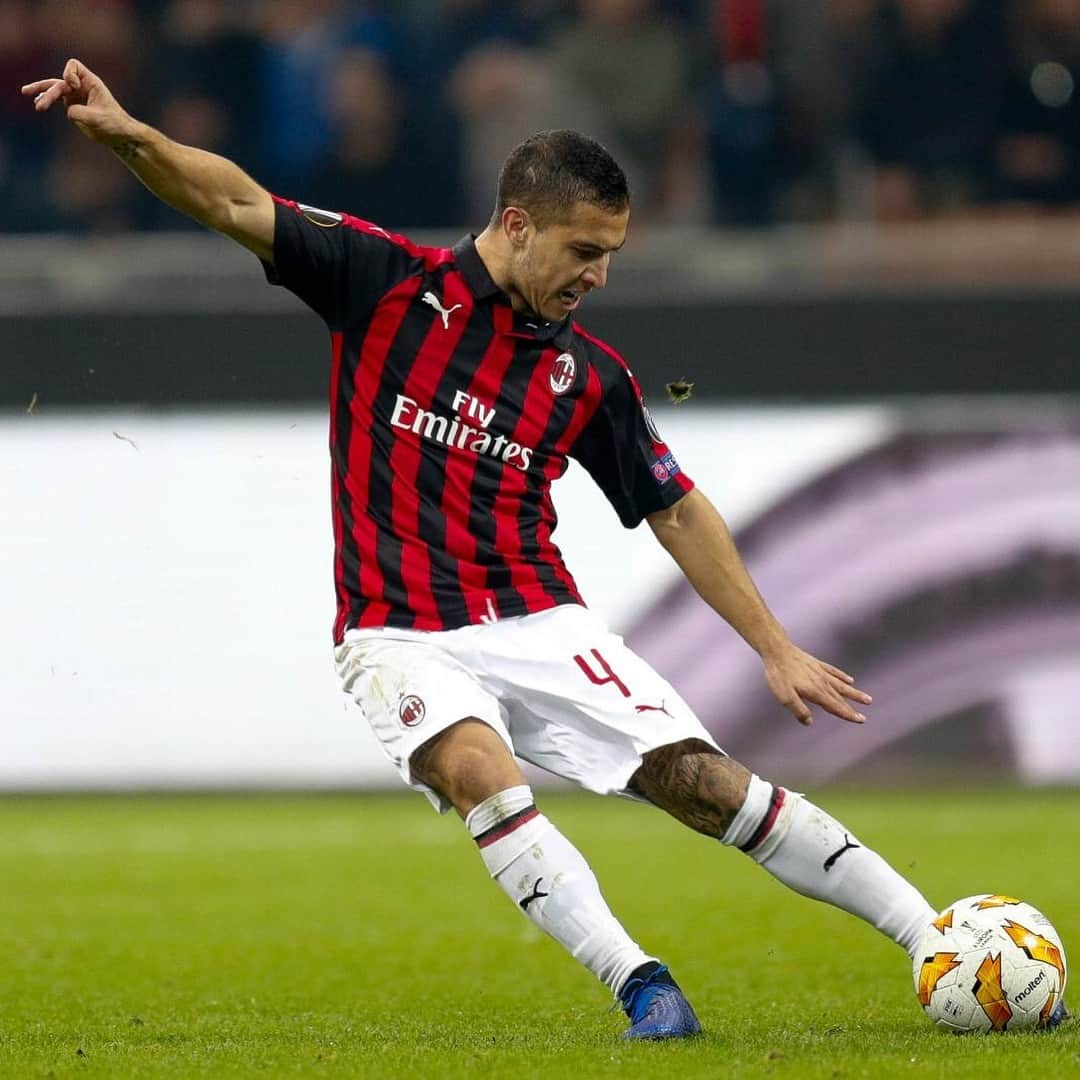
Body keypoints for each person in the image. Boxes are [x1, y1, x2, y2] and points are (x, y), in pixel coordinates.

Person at [18, 58, 1026, 1042]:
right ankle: (643, 985)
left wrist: (772, 643)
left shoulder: (589, 376)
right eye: (584, 250)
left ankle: (931, 937)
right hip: (397, 628)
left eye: (611, 256)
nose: (596, 275)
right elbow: (233, 202)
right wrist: (130, 137)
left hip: (538, 618)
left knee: (705, 783)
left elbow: (675, 508)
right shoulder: (383, 283)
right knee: (480, 771)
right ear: (515, 223)